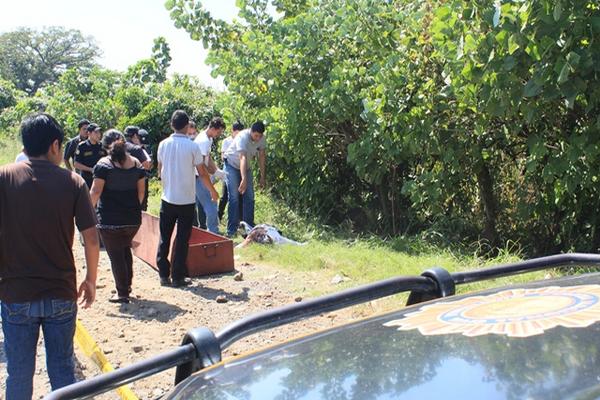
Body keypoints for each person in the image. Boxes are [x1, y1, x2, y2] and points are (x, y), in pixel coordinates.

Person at [0, 113, 99, 400]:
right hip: (61, 292)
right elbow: (91, 239)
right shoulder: (73, 181)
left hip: (16, 293)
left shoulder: (4, 178)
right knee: (62, 370)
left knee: (18, 373)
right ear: (55, 145)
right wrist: (91, 280)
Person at [156, 110, 218, 288]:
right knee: (182, 239)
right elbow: (202, 172)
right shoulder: (192, 147)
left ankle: (163, 274)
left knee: (165, 237)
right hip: (186, 200)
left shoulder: (163, 144)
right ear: (186, 126)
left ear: (172, 125)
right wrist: (212, 191)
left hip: (167, 198)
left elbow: (160, 170)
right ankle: (177, 277)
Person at [90, 130, 146, 304]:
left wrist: (87, 210)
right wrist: (131, 209)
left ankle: (122, 293)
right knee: (124, 249)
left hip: (110, 220)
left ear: (106, 147)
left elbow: (96, 191)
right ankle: (126, 286)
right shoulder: (137, 164)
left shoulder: (103, 165)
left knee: (116, 255)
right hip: (132, 219)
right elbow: (141, 193)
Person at [223, 121, 267, 237]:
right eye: (255, 135)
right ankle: (231, 230)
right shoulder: (242, 136)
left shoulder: (262, 138)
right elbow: (242, 157)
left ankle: (249, 229)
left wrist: (262, 177)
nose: (257, 138)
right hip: (232, 165)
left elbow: (262, 156)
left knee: (250, 197)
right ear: (250, 131)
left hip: (246, 167)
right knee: (234, 197)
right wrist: (244, 179)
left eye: (260, 136)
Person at [194, 117, 226, 233]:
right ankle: (214, 233)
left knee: (207, 205)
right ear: (212, 128)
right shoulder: (203, 141)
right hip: (198, 177)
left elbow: (208, 158)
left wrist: (217, 170)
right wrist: (212, 176)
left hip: (202, 175)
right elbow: (201, 165)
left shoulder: (209, 138)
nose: (219, 134)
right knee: (212, 205)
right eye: (218, 132)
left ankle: (210, 231)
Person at [218, 121, 244, 221]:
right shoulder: (226, 141)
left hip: (239, 169)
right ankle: (219, 215)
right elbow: (223, 156)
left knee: (240, 196)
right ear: (232, 131)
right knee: (225, 196)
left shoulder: (243, 141)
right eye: (237, 133)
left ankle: (240, 219)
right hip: (228, 170)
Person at [124, 126, 153, 211]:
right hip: (138, 181)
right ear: (135, 136)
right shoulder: (137, 149)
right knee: (141, 206)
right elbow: (147, 165)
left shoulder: (119, 147)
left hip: (123, 181)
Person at [74, 123, 106, 188]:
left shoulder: (102, 146)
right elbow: (76, 164)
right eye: (96, 132)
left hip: (101, 179)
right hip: (87, 179)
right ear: (89, 133)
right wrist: (90, 169)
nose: (98, 135)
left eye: (99, 132)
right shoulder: (82, 146)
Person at [188, 121, 206, 229]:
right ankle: (194, 225)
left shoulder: (200, 142)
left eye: (194, 133)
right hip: (189, 175)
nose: (192, 136)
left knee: (201, 201)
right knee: (191, 201)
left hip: (199, 174)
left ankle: (203, 225)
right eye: (190, 134)